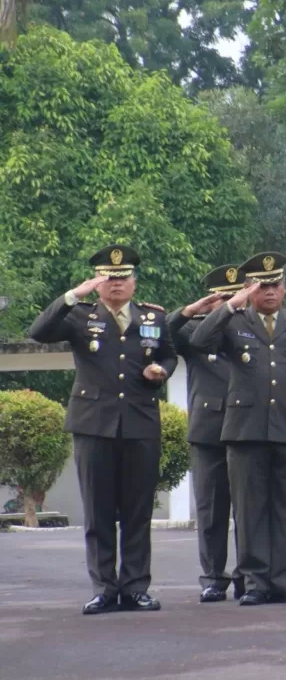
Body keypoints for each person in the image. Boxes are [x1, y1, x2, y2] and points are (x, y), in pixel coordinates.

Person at [28, 245, 177, 615]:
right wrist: (72, 295)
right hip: (94, 424)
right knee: (98, 511)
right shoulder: (80, 316)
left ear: (134, 282)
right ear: (97, 283)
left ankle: (136, 587)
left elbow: (169, 353)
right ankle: (104, 588)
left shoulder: (153, 318)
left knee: (138, 511)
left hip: (140, 422)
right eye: (109, 278)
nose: (116, 284)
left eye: (123, 278)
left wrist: (162, 370)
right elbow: (38, 332)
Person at [189, 252, 286, 606]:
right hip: (245, 429)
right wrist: (231, 305)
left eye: (274, 285)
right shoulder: (233, 321)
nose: (269, 292)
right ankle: (255, 582)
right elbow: (199, 341)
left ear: (284, 287)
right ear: (249, 289)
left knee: (285, 508)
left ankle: (284, 581)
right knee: (249, 510)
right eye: (261, 286)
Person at [167, 264, 247, 603]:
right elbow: (166, 332)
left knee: (248, 509)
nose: (227, 304)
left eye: (234, 296)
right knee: (211, 511)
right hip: (209, 433)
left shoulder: (253, 331)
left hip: (246, 431)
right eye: (220, 298)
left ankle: (248, 575)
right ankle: (214, 577)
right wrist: (189, 311)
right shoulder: (195, 335)